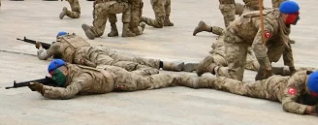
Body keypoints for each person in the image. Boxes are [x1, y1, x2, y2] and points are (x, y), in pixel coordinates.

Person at [198, 1, 299, 81]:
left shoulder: (283, 23)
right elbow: (257, 46)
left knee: (280, 42)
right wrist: (267, 67)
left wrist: (291, 68)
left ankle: (262, 75)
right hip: (236, 37)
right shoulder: (269, 24)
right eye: (295, 15)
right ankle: (210, 67)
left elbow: (286, 44)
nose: (298, 18)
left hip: (251, 37)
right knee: (235, 77)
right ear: (285, 14)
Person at [27, 60, 209, 99]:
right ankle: (151, 69)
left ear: (65, 70)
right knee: (141, 74)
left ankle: (191, 79)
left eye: (56, 74)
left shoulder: (81, 78)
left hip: (119, 80)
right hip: (108, 70)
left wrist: (44, 89)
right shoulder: (73, 69)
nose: (54, 78)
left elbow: (68, 92)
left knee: (158, 81)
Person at [206, 70, 318, 118]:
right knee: (240, 87)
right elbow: (287, 104)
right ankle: (211, 80)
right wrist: (311, 109)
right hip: (272, 87)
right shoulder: (297, 82)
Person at [36, 30, 195, 72]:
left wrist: (39, 48)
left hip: (88, 55)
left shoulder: (57, 44)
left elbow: (44, 56)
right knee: (133, 58)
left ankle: (149, 71)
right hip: (97, 49)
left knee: (119, 65)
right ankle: (169, 65)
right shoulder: (75, 37)